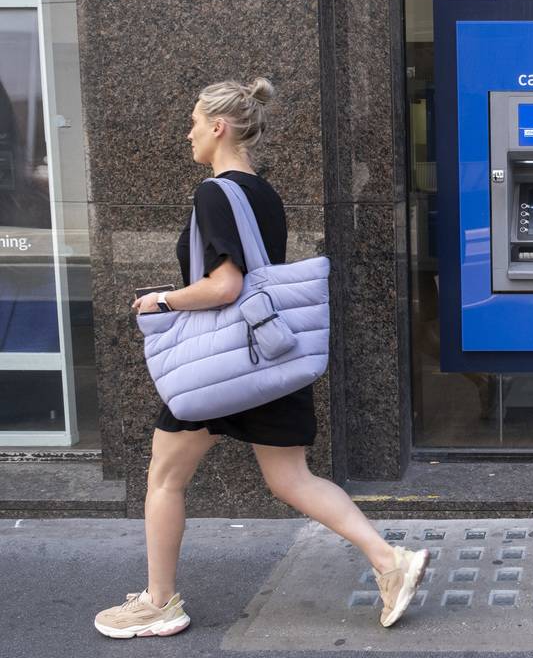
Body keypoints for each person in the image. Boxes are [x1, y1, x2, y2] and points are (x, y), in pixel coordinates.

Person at [93, 78, 428, 638]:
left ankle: (159, 603)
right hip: (267, 356)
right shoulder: (263, 193)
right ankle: (389, 561)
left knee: (164, 479)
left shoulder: (214, 192)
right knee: (291, 477)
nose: (189, 133)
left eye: (195, 122)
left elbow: (226, 285)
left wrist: (162, 299)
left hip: (217, 364)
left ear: (219, 126)